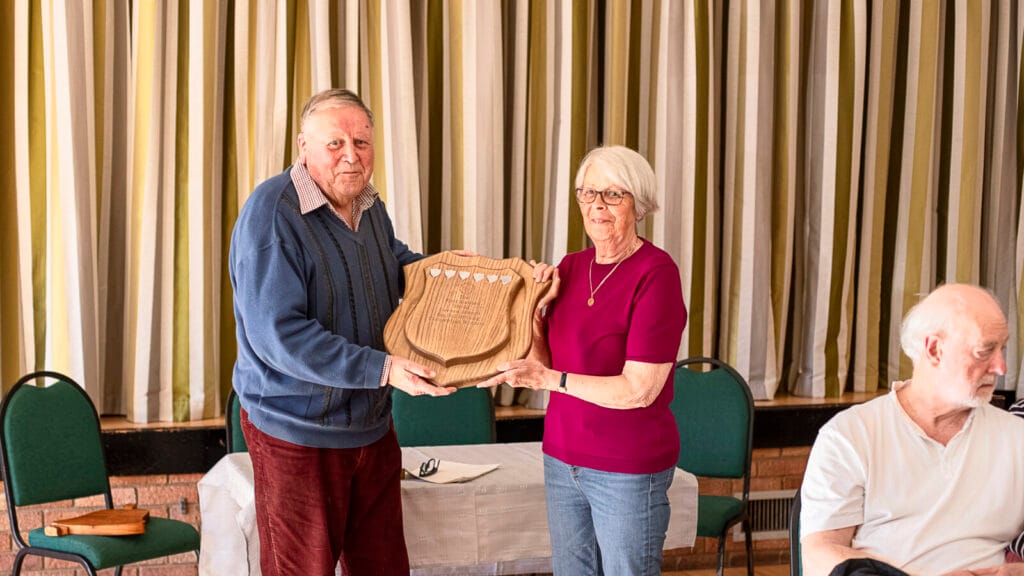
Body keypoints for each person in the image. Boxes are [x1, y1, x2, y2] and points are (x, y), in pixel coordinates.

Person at [229, 88, 456, 576]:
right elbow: (280, 336)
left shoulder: (368, 204)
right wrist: (384, 368)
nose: (351, 155)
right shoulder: (271, 214)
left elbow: (395, 266)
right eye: (335, 143)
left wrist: (464, 278)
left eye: (361, 142)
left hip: (371, 428)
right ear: (303, 146)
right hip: (297, 435)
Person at [479, 145, 687, 575]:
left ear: (639, 204)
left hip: (627, 467)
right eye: (588, 193)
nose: (597, 205)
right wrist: (536, 311)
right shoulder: (570, 267)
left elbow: (639, 390)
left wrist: (552, 380)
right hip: (562, 457)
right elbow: (543, 362)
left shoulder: (656, 274)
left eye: (613, 194)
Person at [800, 284, 1024, 576]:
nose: (1001, 367)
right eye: (985, 351)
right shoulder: (850, 436)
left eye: (1002, 348)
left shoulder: (1016, 437)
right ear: (934, 350)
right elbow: (820, 556)